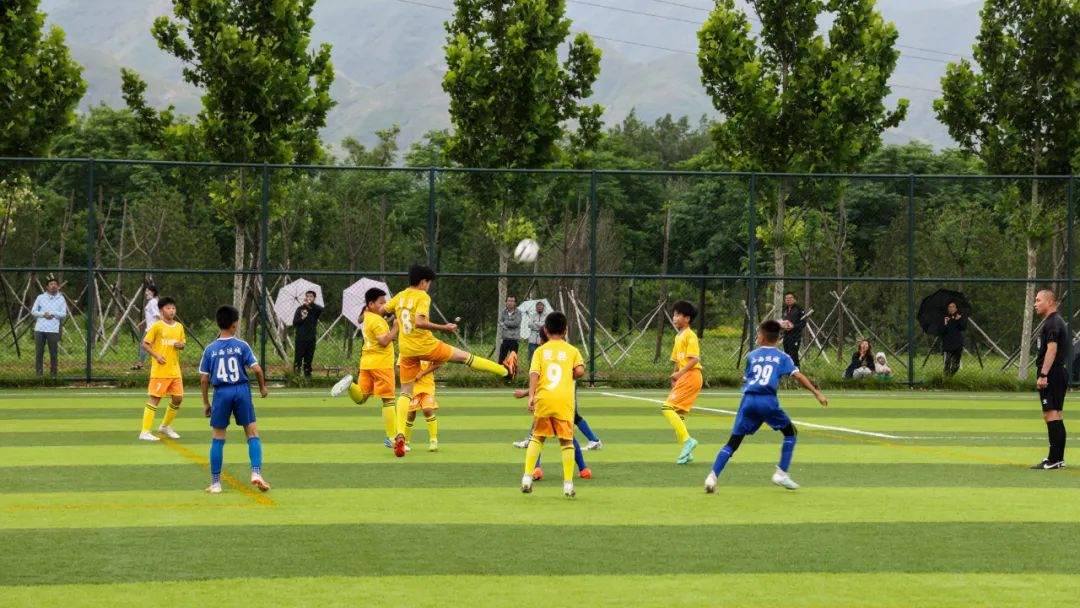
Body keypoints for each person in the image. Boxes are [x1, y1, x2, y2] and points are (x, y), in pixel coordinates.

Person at [382, 265, 516, 457]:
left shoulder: (400, 296)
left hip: (406, 350)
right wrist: (444, 327)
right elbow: (419, 322)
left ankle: (400, 434)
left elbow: (384, 310)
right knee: (464, 357)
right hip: (426, 346)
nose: (428, 287)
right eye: (428, 283)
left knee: (405, 392)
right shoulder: (422, 296)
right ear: (423, 282)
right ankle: (504, 370)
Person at [704, 320, 828, 493]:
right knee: (790, 432)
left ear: (760, 337)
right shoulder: (783, 357)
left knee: (734, 441)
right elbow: (798, 376)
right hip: (767, 401)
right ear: (778, 339)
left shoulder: (751, 356)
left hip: (748, 401)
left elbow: (748, 378)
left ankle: (712, 477)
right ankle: (781, 473)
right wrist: (817, 393)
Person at [199, 305, 270, 494]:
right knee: (252, 433)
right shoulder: (241, 346)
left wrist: (206, 403)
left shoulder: (210, 349)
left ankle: (215, 483)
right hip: (241, 390)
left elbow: (204, 378)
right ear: (235, 324)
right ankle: (256, 473)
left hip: (221, 393)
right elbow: (257, 369)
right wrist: (262, 387)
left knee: (218, 438)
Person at [521, 312, 585, 498]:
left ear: (546, 330)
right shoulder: (572, 351)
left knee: (537, 438)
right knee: (566, 442)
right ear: (565, 330)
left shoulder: (540, 351)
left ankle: (527, 477)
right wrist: (571, 374)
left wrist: (531, 396)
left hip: (544, 399)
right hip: (564, 401)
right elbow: (580, 371)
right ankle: (567, 484)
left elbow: (534, 374)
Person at [331, 287, 400, 449]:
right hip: (382, 364)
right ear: (370, 304)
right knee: (389, 400)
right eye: (381, 303)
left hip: (367, 363)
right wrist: (396, 327)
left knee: (361, 397)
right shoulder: (376, 320)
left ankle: (350, 385)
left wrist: (388, 326)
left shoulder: (368, 317)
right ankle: (392, 438)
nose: (384, 306)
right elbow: (383, 341)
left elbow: (369, 325)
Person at [138, 296, 186, 441]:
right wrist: (157, 356)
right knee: (155, 399)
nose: (171, 311)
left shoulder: (179, 327)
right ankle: (145, 432)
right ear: (161, 310)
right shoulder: (157, 326)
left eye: (173, 308)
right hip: (160, 371)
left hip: (174, 370)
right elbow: (145, 344)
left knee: (178, 398)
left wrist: (181, 345)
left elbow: (183, 342)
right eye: (168, 308)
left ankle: (165, 426)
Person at [662, 301, 703, 465]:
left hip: (692, 375)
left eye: (678, 315)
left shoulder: (690, 335)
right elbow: (677, 360)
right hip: (685, 376)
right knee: (678, 414)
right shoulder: (678, 336)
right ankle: (686, 452)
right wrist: (675, 376)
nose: (674, 317)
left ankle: (688, 441)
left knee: (667, 408)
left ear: (687, 319)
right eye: (674, 314)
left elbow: (694, 359)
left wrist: (680, 373)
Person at [1032, 289, 1068, 470]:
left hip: (1052, 373)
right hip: (1056, 373)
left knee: (1051, 414)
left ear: (1050, 302)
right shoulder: (1053, 321)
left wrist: (1043, 375)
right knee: (1055, 415)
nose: (1035, 304)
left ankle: (1054, 459)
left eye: (1038, 300)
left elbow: (1051, 350)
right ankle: (1057, 458)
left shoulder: (1052, 323)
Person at [31, 276, 67, 377]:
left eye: (55, 284)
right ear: (47, 287)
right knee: (39, 353)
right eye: (51, 284)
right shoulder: (40, 298)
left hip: (53, 329)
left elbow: (63, 313)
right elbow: (33, 311)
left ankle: (53, 375)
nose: (53, 286)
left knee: (54, 354)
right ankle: (39, 375)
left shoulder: (61, 298)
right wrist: (44, 314)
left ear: (58, 287)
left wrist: (53, 314)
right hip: (40, 329)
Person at [404, 359, 442, 452]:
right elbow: (400, 365)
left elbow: (438, 363)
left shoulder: (428, 348)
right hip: (412, 387)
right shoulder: (408, 348)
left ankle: (433, 441)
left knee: (428, 410)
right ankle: (405, 442)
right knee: (410, 415)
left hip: (427, 387)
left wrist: (422, 373)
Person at [292, 290, 323, 378]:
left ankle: (307, 377)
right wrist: (302, 317)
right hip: (300, 338)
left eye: (311, 296)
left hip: (311, 338)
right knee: (298, 358)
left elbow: (321, 310)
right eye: (307, 296)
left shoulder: (315, 309)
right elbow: (295, 322)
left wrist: (310, 306)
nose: (309, 298)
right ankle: (296, 377)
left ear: (314, 298)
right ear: (305, 298)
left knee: (308, 359)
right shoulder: (300, 309)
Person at [132, 284, 160, 370]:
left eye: (148, 291)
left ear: (152, 292)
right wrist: (142, 323)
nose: (146, 293)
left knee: (144, 345)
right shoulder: (153, 302)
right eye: (146, 291)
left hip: (151, 328)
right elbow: (150, 315)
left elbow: (157, 315)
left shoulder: (153, 302)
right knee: (153, 346)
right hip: (151, 327)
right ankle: (156, 361)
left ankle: (141, 364)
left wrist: (162, 326)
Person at [939, 301, 967, 377]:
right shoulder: (944, 318)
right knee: (946, 364)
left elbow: (963, 328)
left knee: (956, 365)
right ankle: (946, 379)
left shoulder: (959, 317)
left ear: (956, 308)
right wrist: (945, 323)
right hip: (947, 344)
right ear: (947, 309)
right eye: (949, 307)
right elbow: (942, 332)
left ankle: (950, 377)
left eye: (953, 307)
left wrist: (958, 320)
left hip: (957, 343)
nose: (951, 308)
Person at [779, 291, 805, 367]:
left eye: (790, 298)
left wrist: (794, 326)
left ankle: (797, 372)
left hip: (795, 336)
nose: (788, 300)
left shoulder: (799, 309)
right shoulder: (785, 310)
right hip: (786, 336)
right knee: (787, 354)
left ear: (794, 299)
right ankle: (789, 372)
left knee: (794, 354)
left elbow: (803, 323)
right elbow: (783, 321)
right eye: (786, 298)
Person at [497, 296, 522, 364]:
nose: (510, 303)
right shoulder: (503, 312)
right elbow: (500, 322)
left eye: (512, 301)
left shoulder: (519, 312)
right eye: (508, 301)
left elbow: (516, 323)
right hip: (505, 339)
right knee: (501, 358)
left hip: (514, 339)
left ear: (515, 303)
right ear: (506, 302)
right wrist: (506, 323)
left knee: (513, 360)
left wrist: (505, 322)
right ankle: (500, 373)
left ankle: (512, 374)